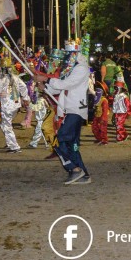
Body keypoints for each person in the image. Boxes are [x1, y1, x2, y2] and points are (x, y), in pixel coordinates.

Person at [37, 39, 93, 185]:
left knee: (60, 139)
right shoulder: (70, 68)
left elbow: (67, 84)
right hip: (70, 109)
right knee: (72, 145)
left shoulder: (81, 68)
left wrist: (47, 80)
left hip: (76, 109)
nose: (67, 55)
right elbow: (60, 87)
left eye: (69, 53)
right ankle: (83, 174)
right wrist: (45, 87)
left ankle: (74, 169)